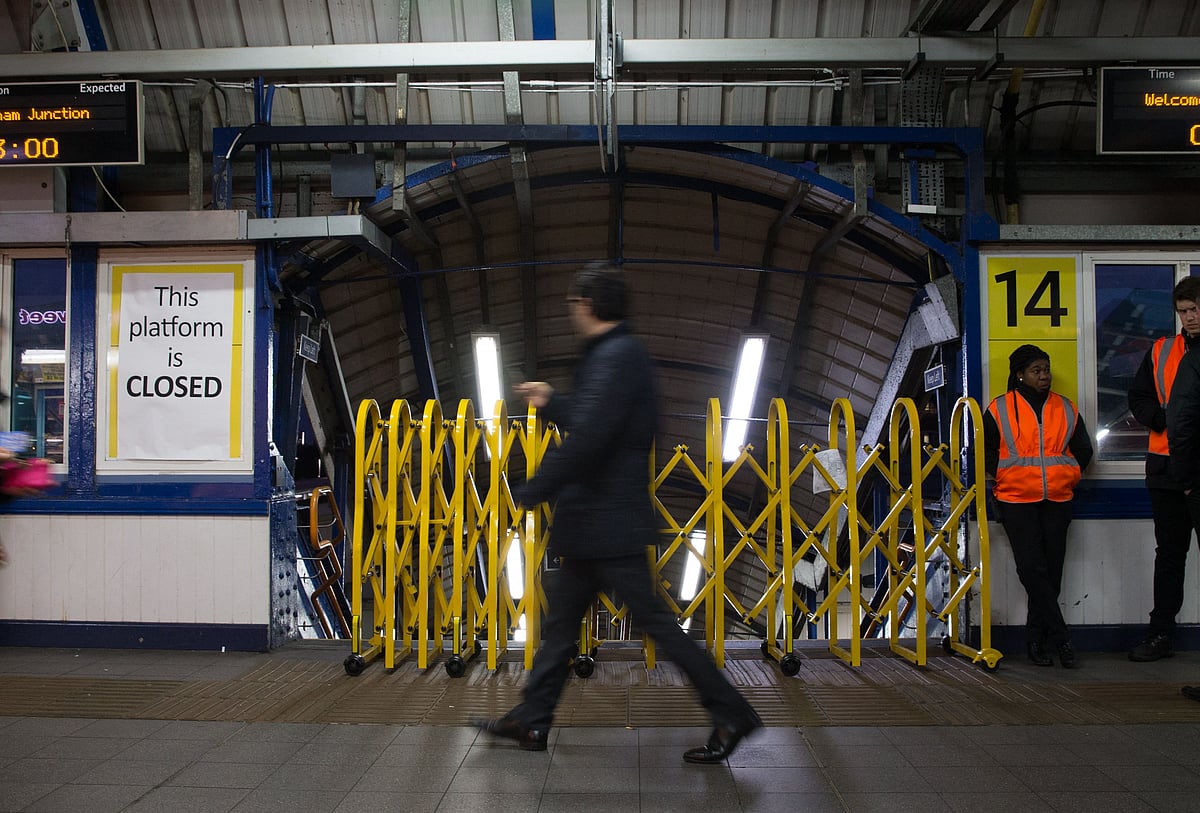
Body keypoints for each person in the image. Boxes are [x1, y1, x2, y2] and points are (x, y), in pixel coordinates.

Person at [473, 262, 761, 763]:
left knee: (659, 627)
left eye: (572, 304)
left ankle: (731, 710)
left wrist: (530, 489)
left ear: (588, 305)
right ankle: (532, 720)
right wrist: (552, 402)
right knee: (561, 628)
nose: (571, 313)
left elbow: (590, 439)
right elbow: (600, 423)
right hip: (596, 525)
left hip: (606, 524)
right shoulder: (616, 355)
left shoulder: (617, 356)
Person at [983, 344, 1093, 668]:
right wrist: (1002, 474)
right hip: (1016, 500)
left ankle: (1036, 640)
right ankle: (1062, 638)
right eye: (1036, 370)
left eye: (1046, 369)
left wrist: (1070, 475)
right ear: (1020, 374)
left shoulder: (1065, 408)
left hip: (1057, 499)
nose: (1044, 376)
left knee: (1051, 573)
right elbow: (985, 450)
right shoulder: (1000, 408)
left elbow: (1083, 448)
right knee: (1032, 569)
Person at [1127, 277, 1200, 662]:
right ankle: (1160, 635)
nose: (1189, 318)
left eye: (1194, 310)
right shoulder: (1162, 350)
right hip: (1165, 468)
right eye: (1183, 312)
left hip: (1197, 468)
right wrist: (1163, 420)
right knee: (1169, 556)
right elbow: (1138, 395)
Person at [1167, 345, 1200, 701]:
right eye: (1185, 310)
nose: (1190, 317)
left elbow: (1182, 419)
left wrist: (1186, 477)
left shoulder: (1192, 360)